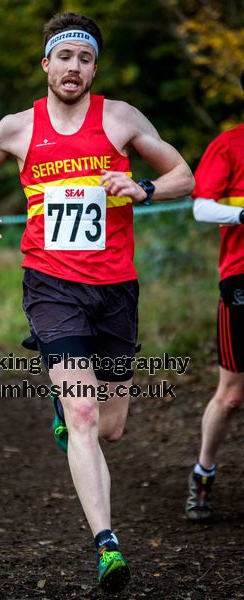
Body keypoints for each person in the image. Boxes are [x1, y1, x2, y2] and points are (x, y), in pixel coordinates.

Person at [0, 12, 194, 592]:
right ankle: (107, 544)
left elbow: (185, 173)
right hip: (50, 282)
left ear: (93, 68)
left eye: (85, 59)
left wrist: (144, 189)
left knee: (109, 426)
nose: (74, 67)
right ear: (47, 64)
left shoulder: (121, 118)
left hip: (115, 288)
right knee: (85, 415)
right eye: (65, 57)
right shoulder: (16, 128)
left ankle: (66, 412)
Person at [185, 73, 244, 523]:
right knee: (231, 396)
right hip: (240, 279)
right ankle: (203, 472)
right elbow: (201, 207)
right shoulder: (229, 145)